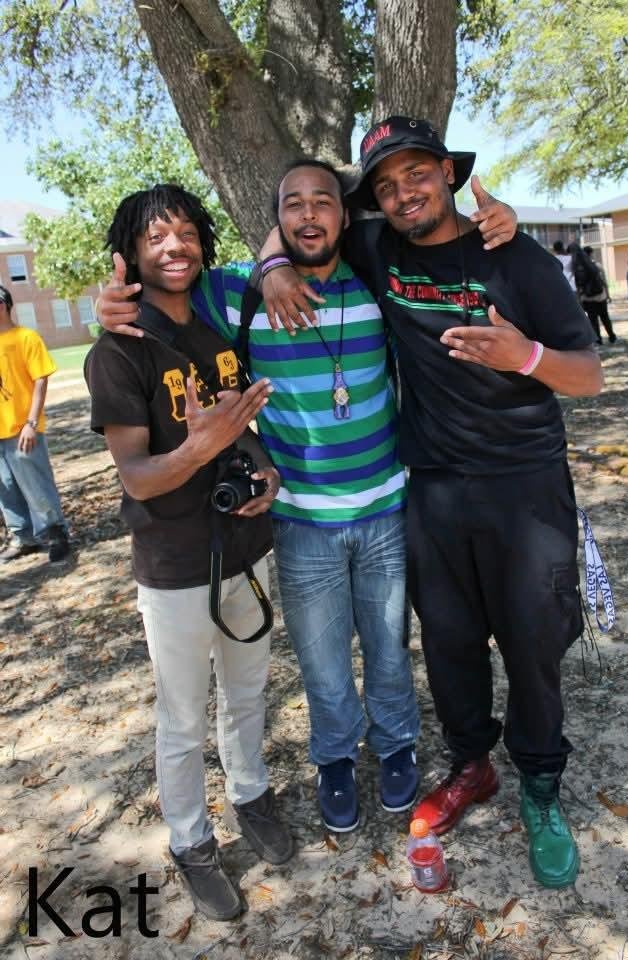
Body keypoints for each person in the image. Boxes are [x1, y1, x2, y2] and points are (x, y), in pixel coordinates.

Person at [96, 163, 519, 835]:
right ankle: (335, 759)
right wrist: (110, 304)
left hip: (385, 509)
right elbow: (161, 288)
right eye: (293, 205)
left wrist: (501, 223)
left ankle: (396, 745)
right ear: (277, 221)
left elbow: (447, 253)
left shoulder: (378, 278)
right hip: (301, 521)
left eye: (324, 202)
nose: (309, 215)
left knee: (388, 647)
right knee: (323, 662)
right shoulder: (233, 292)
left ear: (346, 217)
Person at [261, 116, 603, 889]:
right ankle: (472, 764)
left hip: (524, 486)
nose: (402, 192)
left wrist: (527, 356)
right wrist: (274, 264)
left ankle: (540, 786)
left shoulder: (513, 254)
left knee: (533, 643)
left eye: (416, 173)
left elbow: (590, 374)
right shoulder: (377, 247)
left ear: (449, 173)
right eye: (385, 185)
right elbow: (302, 223)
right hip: (434, 488)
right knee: (449, 642)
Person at [84, 185, 294, 923]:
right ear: (130, 254)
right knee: (182, 718)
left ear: (202, 243)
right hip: (175, 568)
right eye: (155, 237)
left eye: (184, 233)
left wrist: (264, 470)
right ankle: (191, 841)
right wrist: (198, 448)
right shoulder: (116, 353)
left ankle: (250, 795)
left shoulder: (213, 336)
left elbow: (240, 429)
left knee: (247, 693)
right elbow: (138, 476)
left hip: (246, 549)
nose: (173, 247)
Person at [0, 284, 70, 563]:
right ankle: (23, 538)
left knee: (36, 484)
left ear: (2, 305)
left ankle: (56, 534)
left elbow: (40, 380)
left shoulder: (26, 338)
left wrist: (31, 422)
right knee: (5, 488)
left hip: (22, 428)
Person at [581, 246, 616, 345]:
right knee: (605, 318)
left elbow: (579, 286)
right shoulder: (597, 266)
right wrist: (608, 295)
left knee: (593, 320)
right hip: (601, 297)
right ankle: (612, 337)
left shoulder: (581, 268)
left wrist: (580, 299)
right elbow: (604, 282)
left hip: (587, 299)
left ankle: (598, 339)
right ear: (591, 254)